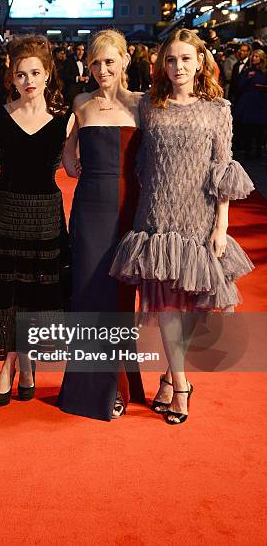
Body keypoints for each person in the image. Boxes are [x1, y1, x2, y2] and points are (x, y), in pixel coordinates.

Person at [110, 29, 254, 425]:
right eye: (171, 60)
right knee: (165, 304)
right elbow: (110, 105)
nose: (178, 67)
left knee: (186, 306)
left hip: (198, 217)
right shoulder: (149, 106)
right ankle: (182, 384)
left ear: (200, 62)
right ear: (162, 65)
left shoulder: (217, 109)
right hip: (156, 217)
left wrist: (222, 224)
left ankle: (171, 379)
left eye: (186, 59)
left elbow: (222, 168)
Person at [0, 35, 73, 407]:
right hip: (5, 212)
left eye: (35, 72)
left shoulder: (66, 120)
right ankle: (9, 364)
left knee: (35, 293)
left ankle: (24, 363)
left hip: (45, 216)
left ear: (48, 74)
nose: (28, 80)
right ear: (11, 78)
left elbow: (74, 165)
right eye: (21, 74)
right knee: (8, 291)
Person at [57, 29, 146, 421]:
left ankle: (121, 385)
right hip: (90, 207)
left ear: (125, 60)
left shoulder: (143, 105)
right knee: (89, 292)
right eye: (95, 62)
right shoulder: (81, 102)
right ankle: (91, 390)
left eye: (110, 61)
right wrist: (70, 161)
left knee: (121, 296)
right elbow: (69, 148)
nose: (102, 69)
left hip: (130, 206)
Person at [233, 49, 267, 158]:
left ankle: (258, 150)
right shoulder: (247, 71)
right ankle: (247, 150)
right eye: (253, 56)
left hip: (261, 102)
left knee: (259, 128)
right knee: (248, 127)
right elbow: (240, 86)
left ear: (261, 58)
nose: (254, 58)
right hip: (248, 102)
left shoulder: (265, 72)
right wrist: (248, 78)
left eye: (256, 56)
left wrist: (263, 87)